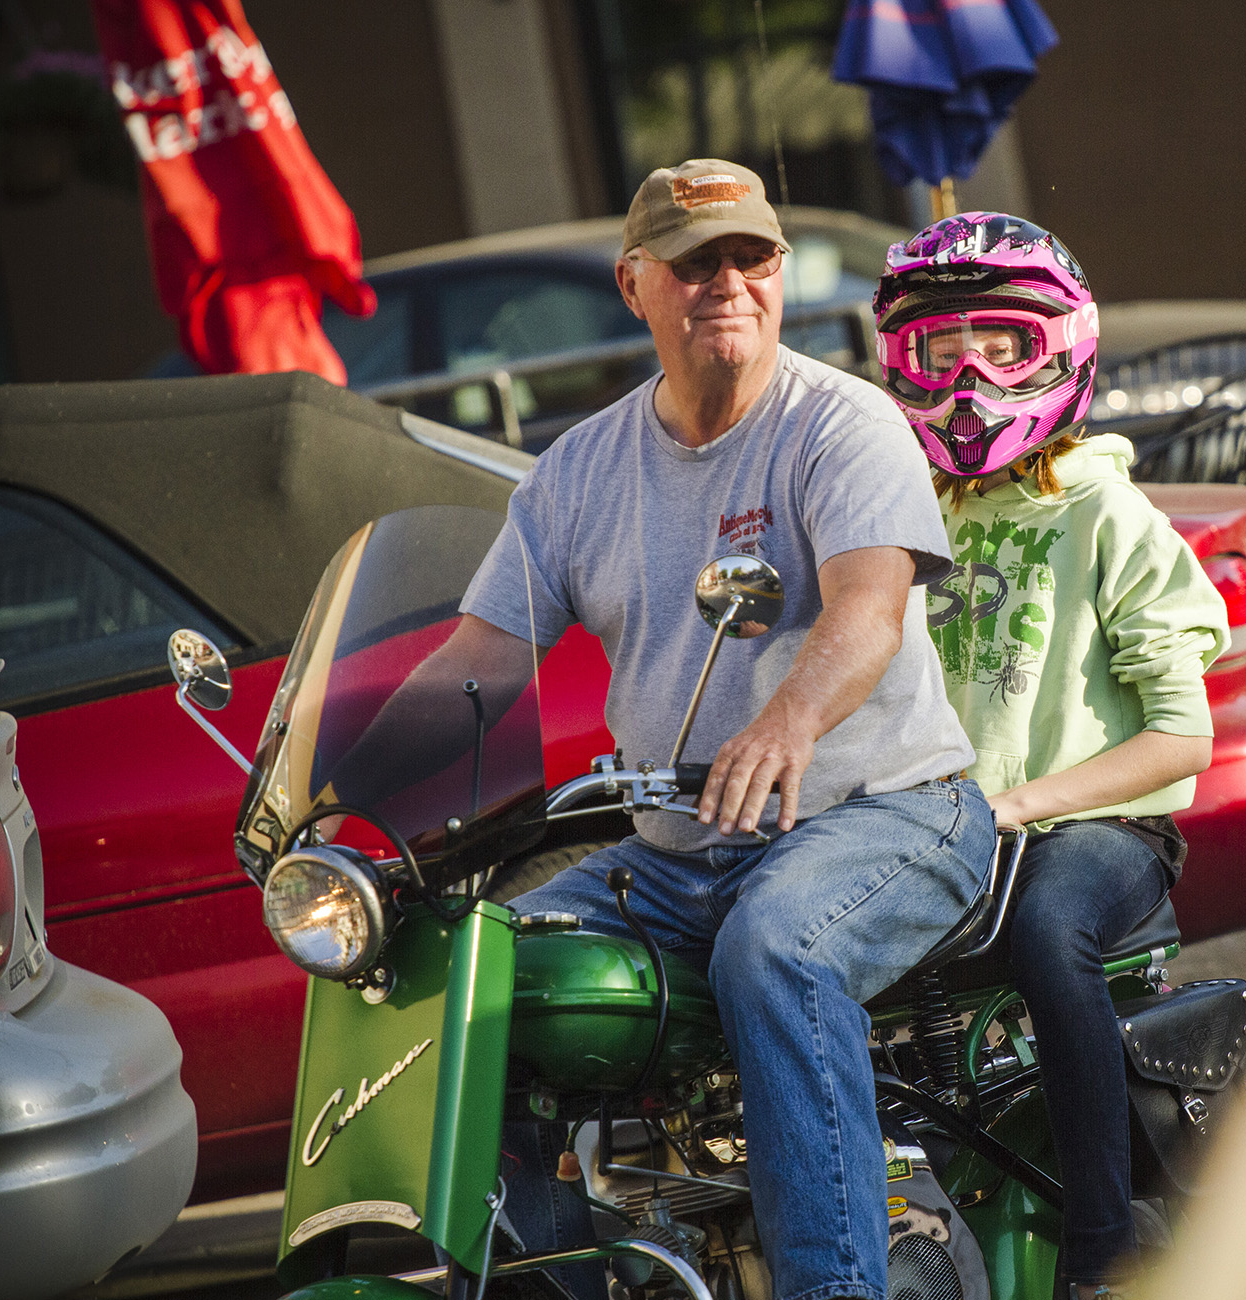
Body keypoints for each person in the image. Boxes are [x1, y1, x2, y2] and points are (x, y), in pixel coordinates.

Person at [459, 161, 994, 1300]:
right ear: (633, 285)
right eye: (695, 262)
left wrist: (786, 723)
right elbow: (474, 666)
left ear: (781, 273)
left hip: (885, 812)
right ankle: (563, 1279)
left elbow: (868, 608)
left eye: (750, 256)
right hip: (678, 853)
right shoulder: (575, 473)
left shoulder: (839, 422)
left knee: (777, 951)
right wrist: (340, 786)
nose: (728, 282)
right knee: (485, 970)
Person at [874, 213, 1230, 1300]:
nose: (971, 376)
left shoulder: (1106, 512)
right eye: (942, 350)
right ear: (901, 363)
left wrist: (1023, 801)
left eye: (1004, 344)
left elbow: (1183, 736)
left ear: (1062, 347)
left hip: (1103, 832)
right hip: (949, 832)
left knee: (1045, 933)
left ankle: (1101, 1251)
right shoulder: (898, 518)